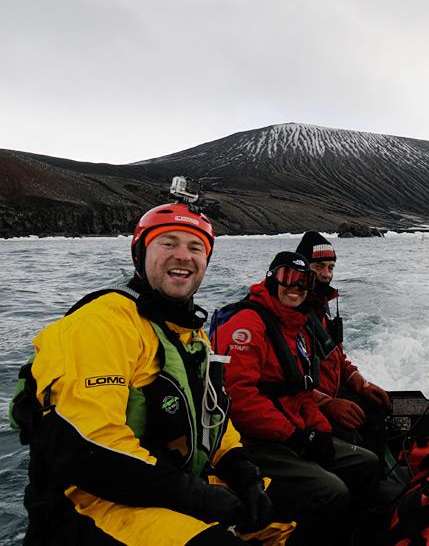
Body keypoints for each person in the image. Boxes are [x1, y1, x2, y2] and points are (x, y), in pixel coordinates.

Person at [14, 199, 276, 545]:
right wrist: (196, 496)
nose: (183, 256)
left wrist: (243, 473)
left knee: (292, 510)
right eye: (168, 243)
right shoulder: (100, 325)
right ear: (139, 254)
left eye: (196, 247)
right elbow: (90, 446)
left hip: (165, 485)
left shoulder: (189, 333)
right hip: (88, 503)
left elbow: (211, 417)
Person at [212, 251, 380, 545]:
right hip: (254, 441)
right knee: (331, 491)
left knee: (366, 462)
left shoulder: (294, 327)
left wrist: (321, 432)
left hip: (291, 428)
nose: (296, 287)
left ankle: (353, 534)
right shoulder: (248, 326)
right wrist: (297, 437)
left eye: (304, 281)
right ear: (271, 277)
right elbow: (239, 400)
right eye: (288, 277)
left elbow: (301, 390)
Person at [294, 232, 391, 470]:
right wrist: (326, 404)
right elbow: (285, 375)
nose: (326, 274)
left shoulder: (320, 307)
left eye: (331, 267)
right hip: (304, 404)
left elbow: (334, 354)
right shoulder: (290, 309)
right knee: (351, 438)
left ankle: (379, 479)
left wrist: (357, 380)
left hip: (331, 393)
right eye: (318, 266)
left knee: (378, 408)